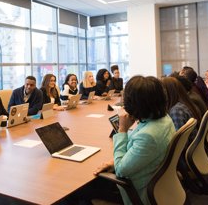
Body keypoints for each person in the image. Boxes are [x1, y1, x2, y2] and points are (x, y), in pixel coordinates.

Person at [67, 76, 175, 205]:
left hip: (136, 191)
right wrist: (114, 162)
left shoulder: (148, 135)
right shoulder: (163, 119)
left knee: (77, 190)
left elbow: (121, 170)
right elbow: (138, 152)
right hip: (156, 181)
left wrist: (122, 130)